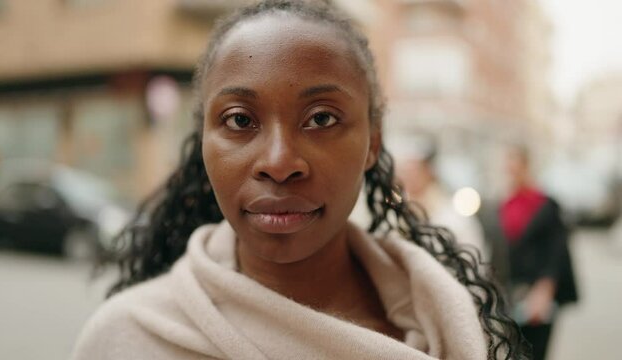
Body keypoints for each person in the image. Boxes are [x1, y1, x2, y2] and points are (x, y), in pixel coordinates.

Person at [72, 1, 525, 359]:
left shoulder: (451, 324)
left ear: (373, 142)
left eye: (321, 118)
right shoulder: (126, 339)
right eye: (239, 120)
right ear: (204, 144)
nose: (279, 161)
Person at [499, 145, 578, 360]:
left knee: (535, 352)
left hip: (539, 294)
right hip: (512, 292)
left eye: (515, 165)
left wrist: (544, 290)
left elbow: (556, 252)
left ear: (526, 166)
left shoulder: (544, 205)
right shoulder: (505, 204)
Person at [395, 139, 488, 262]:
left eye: (413, 170)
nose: (408, 177)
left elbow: (473, 260)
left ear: (428, 171)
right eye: (404, 171)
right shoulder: (399, 214)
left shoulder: (453, 216)